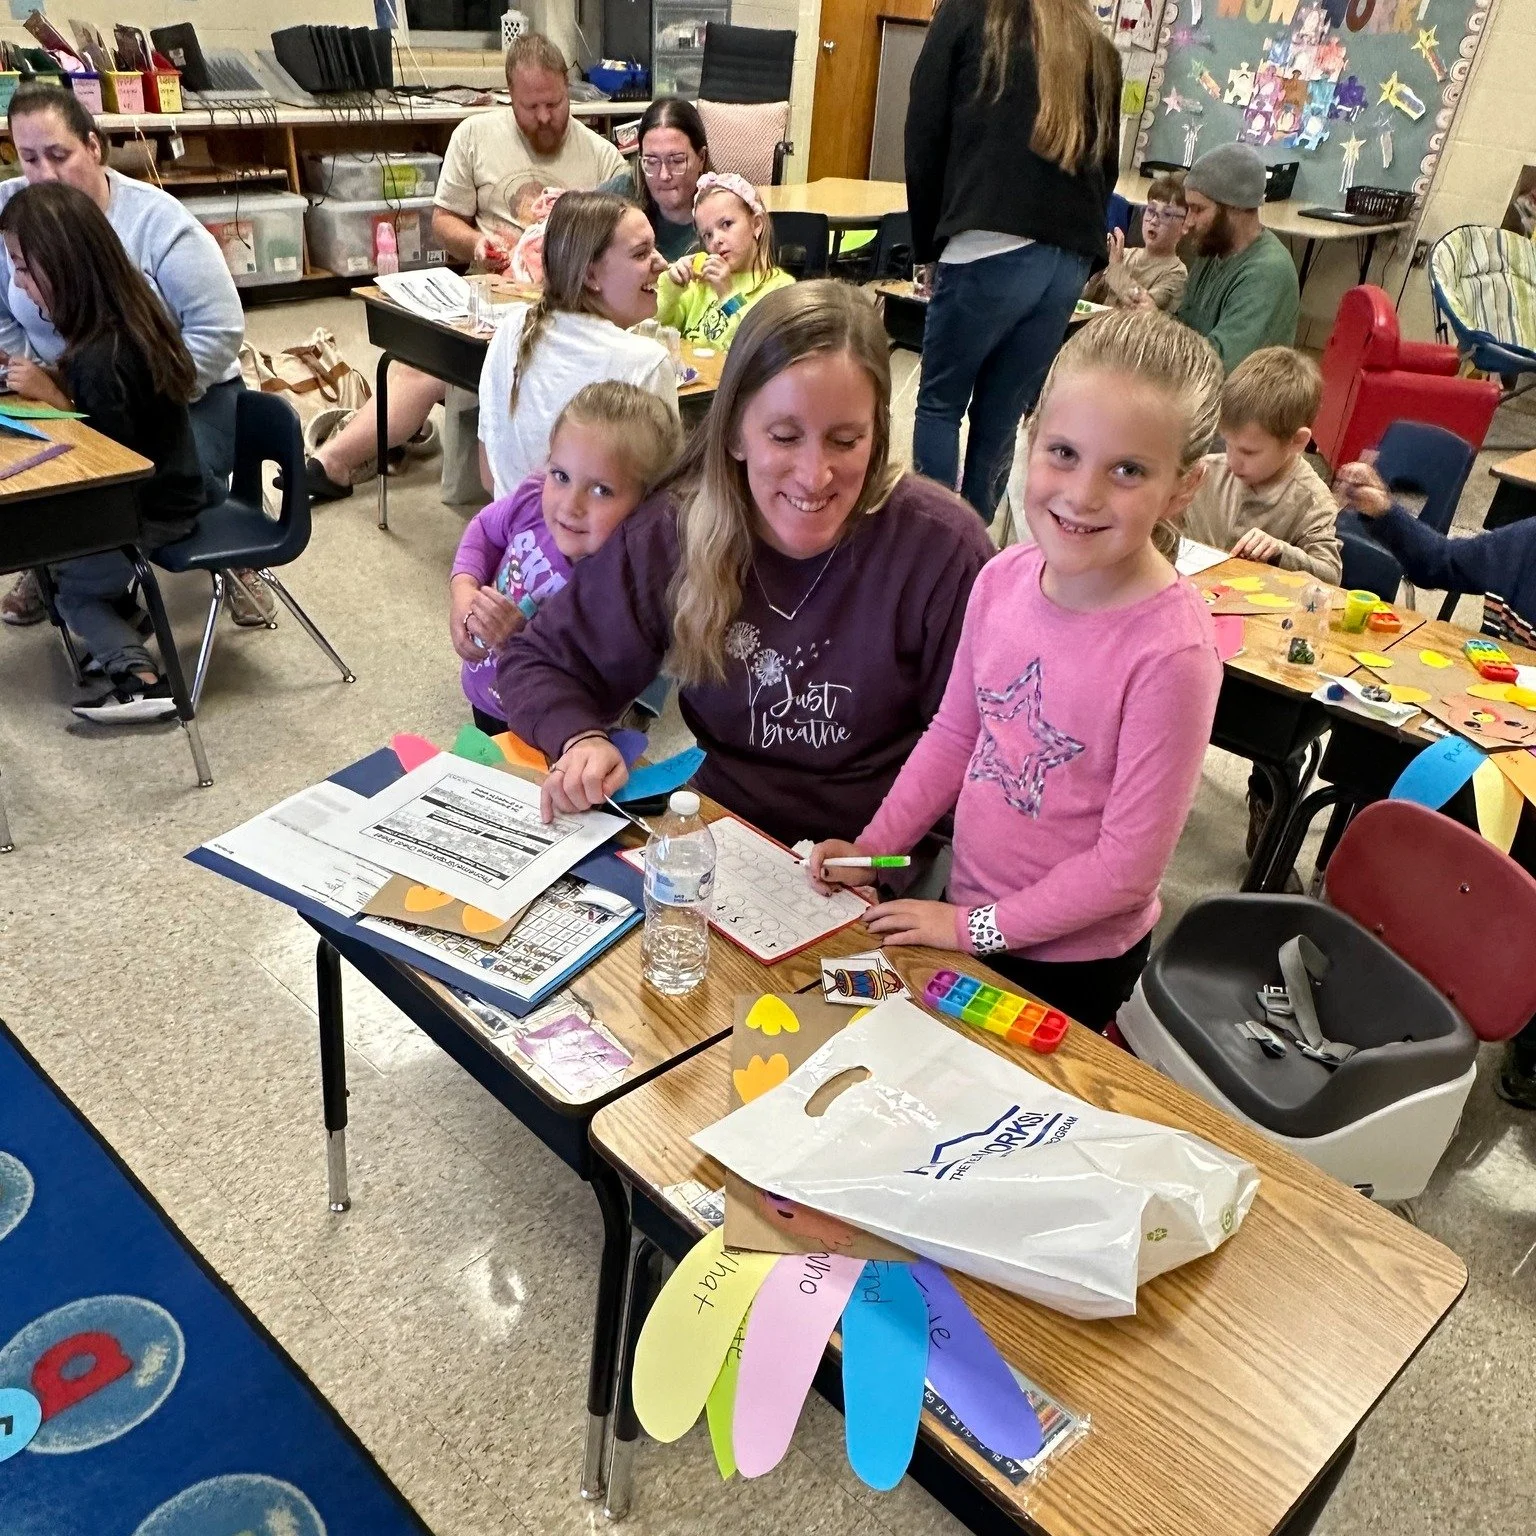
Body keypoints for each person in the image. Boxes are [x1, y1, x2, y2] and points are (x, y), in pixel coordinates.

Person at [809, 310, 1225, 1032]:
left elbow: (1126, 870)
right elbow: (953, 736)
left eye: (1127, 470)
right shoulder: (1002, 578)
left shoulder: (1174, 655)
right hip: (970, 916)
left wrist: (972, 930)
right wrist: (873, 856)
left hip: (1071, 965)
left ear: (1182, 489)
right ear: (1030, 438)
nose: (1084, 494)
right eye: (1063, 452)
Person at [497, 280, 994, 845]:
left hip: (883, 846)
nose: (814, 475)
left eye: (846, 440)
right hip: (721, 826)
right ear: (734, 433)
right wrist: (580, 739)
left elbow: (984, 750)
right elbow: (543, 662)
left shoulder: (943, 548)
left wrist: (889, 852)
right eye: (784, 437)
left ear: (878, 434)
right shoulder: (676, 527)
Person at [305, 33, 630, 503]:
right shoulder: (475, 136)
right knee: (418, 363)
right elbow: (441, 222)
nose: (544, 117)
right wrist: (477, 242)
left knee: (423, 373)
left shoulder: (601, 156)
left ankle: (333, 460)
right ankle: (331, 464)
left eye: (555, 104)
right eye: (530, 106)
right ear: (508, 96)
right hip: (490, 290)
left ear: (567, 90)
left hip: (562, 303)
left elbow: (622, 238)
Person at [0, 86, 261, 628]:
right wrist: (43, 380)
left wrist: (128, 393)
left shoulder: (160, 223)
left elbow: (218, 331)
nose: (43, 174)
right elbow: (4, 313)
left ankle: (227, 550)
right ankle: (66, 556)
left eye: (58, 154)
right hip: (78, 384)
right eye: (28, 159)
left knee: (149, 472)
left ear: (94, 148)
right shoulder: (15, 210)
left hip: (186, 392)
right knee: (43, 469)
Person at [1336, 456, 1536, 1109]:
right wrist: (1383, 511)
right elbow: (1442, 566)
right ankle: (1401, 973)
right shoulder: (1526, 542)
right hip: (1489, 746)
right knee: (1421, 800)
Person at [904, 0, 1122, 523]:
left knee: (940, 404)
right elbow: (1108, 163)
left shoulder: (969, 12)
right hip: (1067, 256)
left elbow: (924, 135)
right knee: (1000, 417)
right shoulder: (1095, 39)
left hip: (987, 239)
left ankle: (938, 545)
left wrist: (927, 247)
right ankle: (978, 554)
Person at [0, 183, 203, 722]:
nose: (18, 282)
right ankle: (123, 609)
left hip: (153, 508)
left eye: (23, 268)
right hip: (168, 489)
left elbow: (116, 461)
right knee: (54, 558)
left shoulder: (103, 354)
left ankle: (138, 678)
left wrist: (53, 397)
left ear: (63, 266)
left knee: (67, 590)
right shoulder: (119, 320)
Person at [451, 381, 682, 736]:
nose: (571, 506)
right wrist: (463, 590)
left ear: (646, 505)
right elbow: (483, 529)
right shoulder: (530, 502)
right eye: (561, 475)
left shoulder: (622, 585)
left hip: (561, 727)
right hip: (487, 695)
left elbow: (602, 677)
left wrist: (519, 640)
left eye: (601, 490)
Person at [477, 190, 677, 502]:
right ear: (590, 275)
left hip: (512, 542)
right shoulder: (646, 362)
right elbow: (661, 503)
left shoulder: (510, 328)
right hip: (597, 549)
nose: (662, 263)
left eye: (655, 249)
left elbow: (488, 474)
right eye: (641, 254)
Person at [1182, 346, 1342, 583]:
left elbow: (1330, 577)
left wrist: (1281, 552)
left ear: (1296, 442)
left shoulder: (1313, 502)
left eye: (1249, 452)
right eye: (1227, 443)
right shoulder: (1205, 471)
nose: (1233, 461)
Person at [1174, 143, 1300, 372]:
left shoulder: (1268, 272)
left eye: (1198, 209)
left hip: (1237, 403)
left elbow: (1218, 367)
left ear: (1235, 208)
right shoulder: (1213, 249)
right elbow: (1185, 328)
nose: (1188, 223)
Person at [656, 174, 793, 348]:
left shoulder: (780, 288)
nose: (716, 240)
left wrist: (728, 296)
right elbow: (657, 330)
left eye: (726, 224)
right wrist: (671, 286)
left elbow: (753, 351)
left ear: (756, 224)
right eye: (707, 235)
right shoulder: (699, 285)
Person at [1083, 173, 1188, 313]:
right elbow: (1084, 302)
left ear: (1185, 225)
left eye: (1167, 214)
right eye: (1151, 210)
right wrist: (1098, 271)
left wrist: (1115, 268)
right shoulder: (1124, 254)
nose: (1154, 221)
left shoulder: (1176, 274)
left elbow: (1142, 310)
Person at [634, 97, 709, 263]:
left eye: (676, 160)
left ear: (701, 158)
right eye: (651, 162)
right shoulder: (623, 194)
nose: (664, 175)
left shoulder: (725, 216)